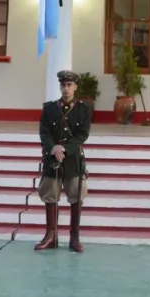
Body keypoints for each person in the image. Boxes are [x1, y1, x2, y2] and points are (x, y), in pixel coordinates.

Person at [34, 70, 91, 253]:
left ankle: (74, 238)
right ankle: (51, 236)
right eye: (63, 85)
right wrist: (54, 148)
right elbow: (44, 132)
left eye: (69, 85)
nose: (66, 89)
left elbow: (83, 134)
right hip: (53, 159)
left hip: (72, 159)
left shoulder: (83, 109)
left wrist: (65, 148)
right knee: (50, 196)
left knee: (76, 197)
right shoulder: (50, 109)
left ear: (75, 87)